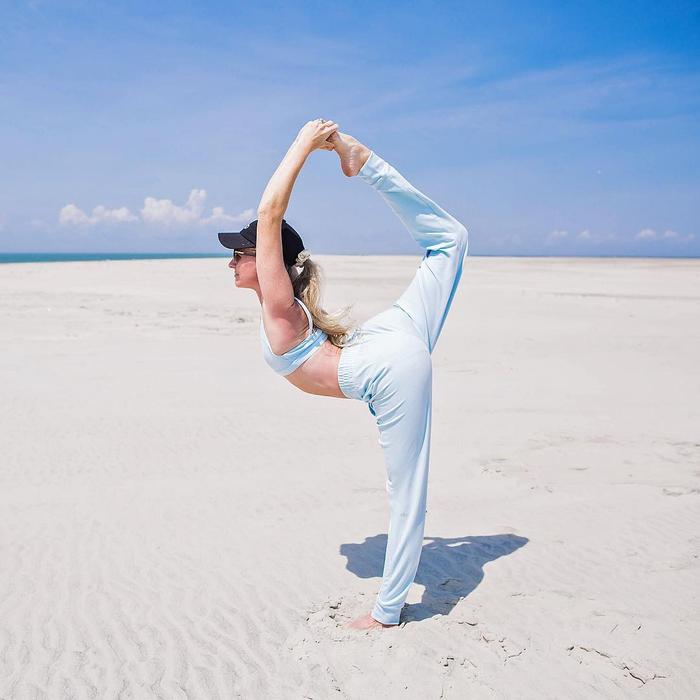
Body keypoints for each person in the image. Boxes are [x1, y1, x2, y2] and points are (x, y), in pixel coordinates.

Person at [218, 119, 469, 630]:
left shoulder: (281, 307)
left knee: (407, 493)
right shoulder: (289, 308)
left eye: (239, 253)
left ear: (268, 262)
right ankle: (364, 162)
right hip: (382, 338)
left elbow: (270, 214)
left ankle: (387, 613)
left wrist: (303, 146)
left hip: (384, 367)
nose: (231, 261)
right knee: (451, 241)